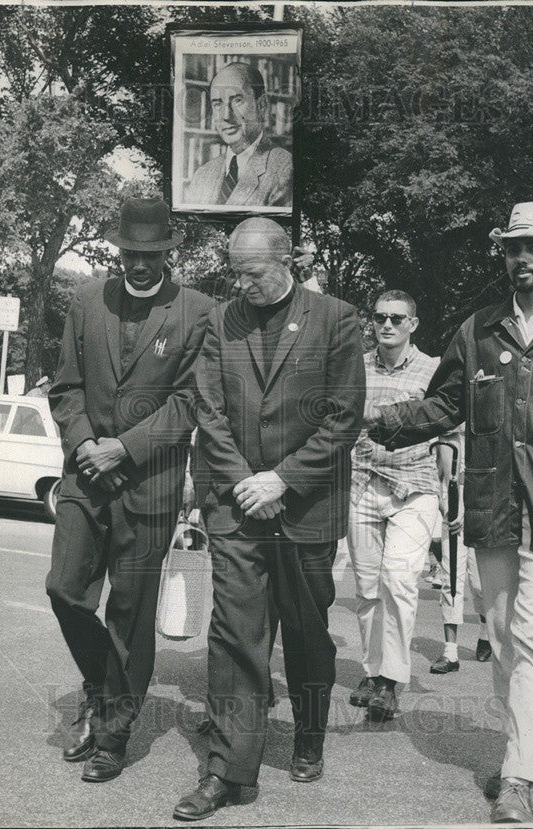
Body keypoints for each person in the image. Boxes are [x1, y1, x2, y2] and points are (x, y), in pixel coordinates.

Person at [366, 202, 533, 823]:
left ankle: (522, 773)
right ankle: (525, 753)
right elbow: (441, 408)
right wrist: (378, 421)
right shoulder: (478, 331)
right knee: (507, 643)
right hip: (493, 511)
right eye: (513, 249)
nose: (521, 259)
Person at [173, 218, 364, 821]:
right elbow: (209, 410)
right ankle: (228, 771)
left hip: (306, 509)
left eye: (252, 273)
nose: (243, 284)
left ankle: (309, 734)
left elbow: (342, 417)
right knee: (234, 635)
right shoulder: (219, 321)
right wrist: (245, 482)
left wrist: (281, 479)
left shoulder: (337, 320)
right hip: (236, 507)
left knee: (306, 635)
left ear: (287, 261)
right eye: (236, 272)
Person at [45, 196, 214, 783]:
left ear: (170, 252)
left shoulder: (199, 312)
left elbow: (192, 399)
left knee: (130, 613)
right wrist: (87, 443)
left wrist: (129, 447)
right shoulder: (87, 300)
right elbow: (64, 387)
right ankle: (101, 689)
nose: (140, 264)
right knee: (65, 590)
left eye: (152, 254)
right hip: (85, 475)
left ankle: (115, 733)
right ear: (118, 250)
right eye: (130, 253)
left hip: (151, 484)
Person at [345, 289, 456, 720]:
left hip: (415, 485)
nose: (386, 325)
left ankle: (391, 679)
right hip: (362, 483)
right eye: (379, 317)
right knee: (368, 586)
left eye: (396, 318)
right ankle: (372, 673)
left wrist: (451, 475)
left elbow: (449, 418)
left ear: (413, 323)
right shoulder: (356, 366)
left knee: (399, 577)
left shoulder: (433, 369)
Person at [184, 62, 292, 208]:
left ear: (262, 105)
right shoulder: (202, 175)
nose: (226, 115)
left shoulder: (285, 169)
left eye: (237, 100)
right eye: (217, 104)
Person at [433, 433, 492, 673]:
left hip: (480, 509)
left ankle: (486, 630)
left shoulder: (482, 430)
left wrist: (467, 511)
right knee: (451, 580)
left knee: (479, 584)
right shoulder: (442, 437)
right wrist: (443, 505)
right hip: (451, 508)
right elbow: (435, 475)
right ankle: (450, 652)